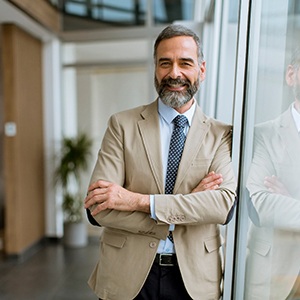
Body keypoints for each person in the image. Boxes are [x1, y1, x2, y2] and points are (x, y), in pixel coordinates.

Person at [84, 24, 237, 300]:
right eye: (165, 63)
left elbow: (222, 206)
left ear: (201, 70)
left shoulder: (221, 134)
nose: (174, 73)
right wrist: (188, 207)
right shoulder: (122, 125)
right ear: (155, 68)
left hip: (194, 280)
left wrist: (137, 201)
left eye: (185, 63)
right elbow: (98, 208)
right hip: (125, 277)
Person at [245, 47, 300, 300]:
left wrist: (290, 201)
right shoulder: (262, 134)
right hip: (273, 281)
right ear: (291, 75)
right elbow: (261, 205)